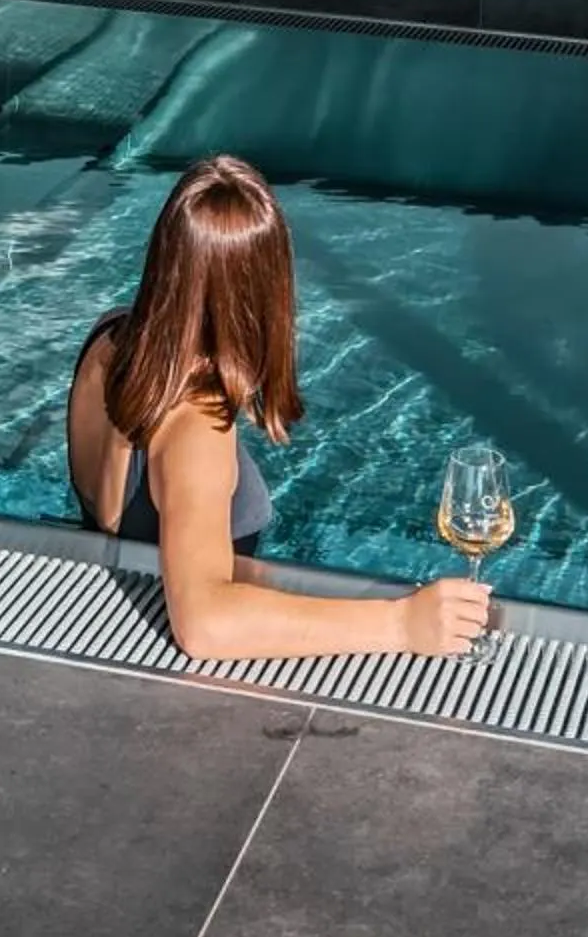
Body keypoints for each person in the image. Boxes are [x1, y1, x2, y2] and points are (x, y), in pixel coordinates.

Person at [66, 153, 492, 662]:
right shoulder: (197, 427)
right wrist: (402, 624)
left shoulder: (109, 341)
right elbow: (205, 626)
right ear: (263, 290)